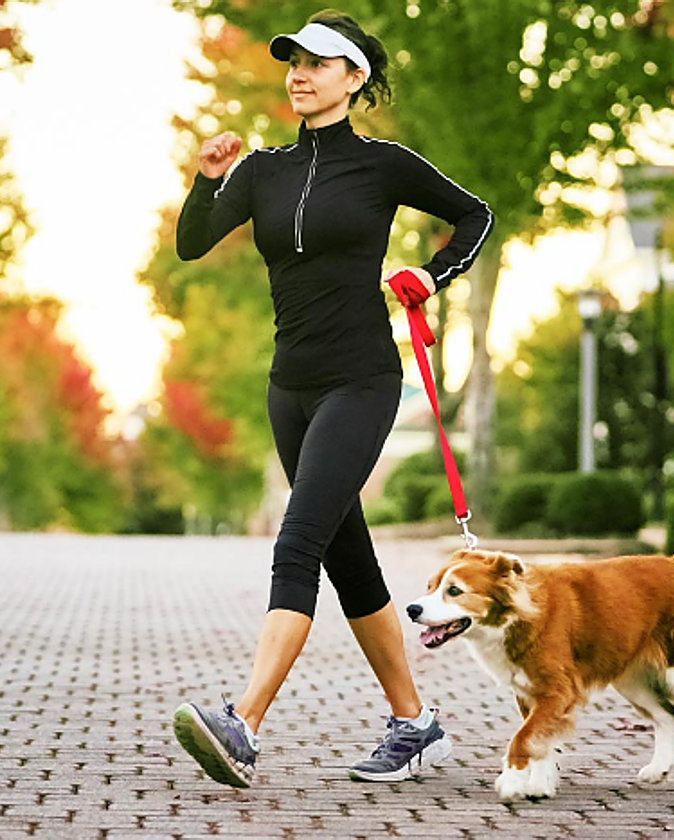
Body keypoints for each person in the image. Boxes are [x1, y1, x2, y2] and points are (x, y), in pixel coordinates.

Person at [171, 9, 493, 789]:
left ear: (354, 79)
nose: (300, 73)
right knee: (349, 561)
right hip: (291, 388)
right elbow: (191, 242)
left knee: (299, 542)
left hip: (361, 380)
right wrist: (206, 178)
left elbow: (474, 215)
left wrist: (432, 274)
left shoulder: (383, 165)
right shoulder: (262, 170)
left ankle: (242, 724)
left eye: (319, 62)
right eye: (293, 61)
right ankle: (415, 724)